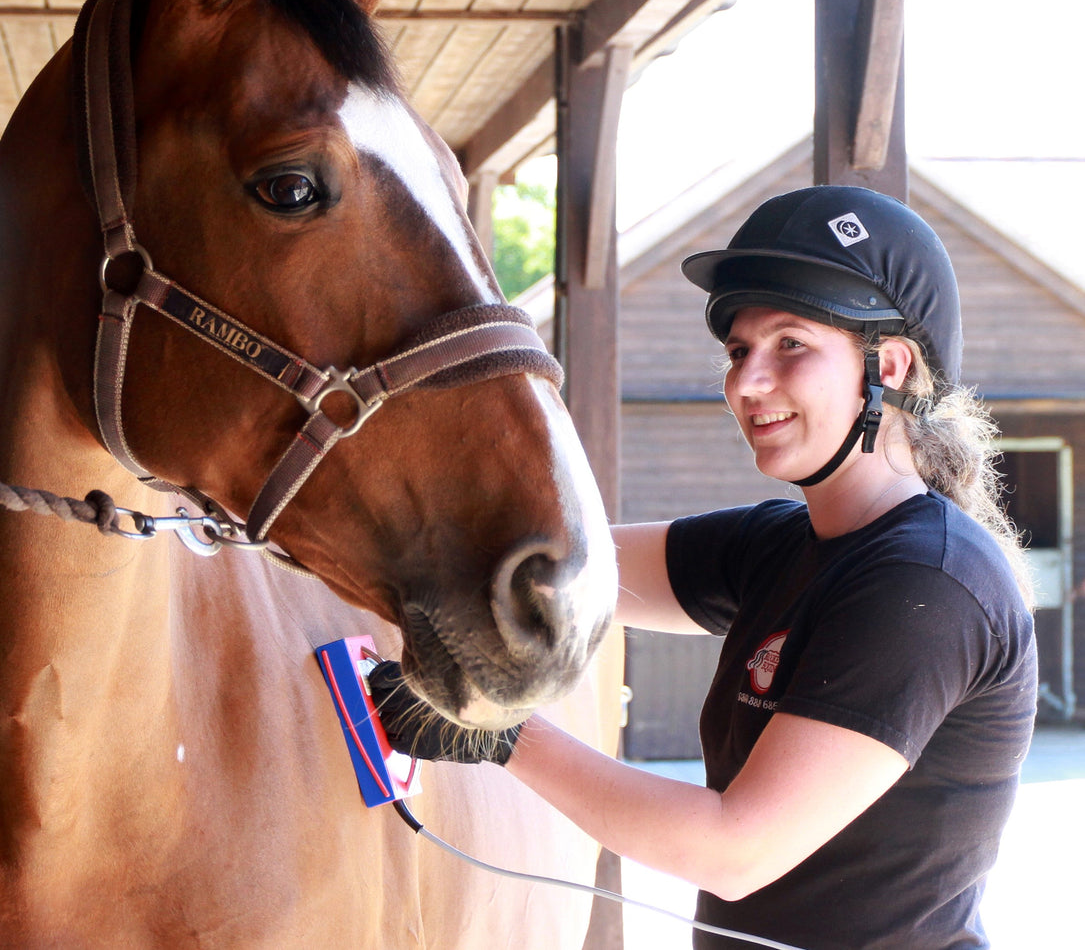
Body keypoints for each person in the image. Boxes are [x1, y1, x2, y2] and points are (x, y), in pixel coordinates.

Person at [372, 185, 1038, 950]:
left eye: (789, 344)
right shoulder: (782, 546)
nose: (744, 382)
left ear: (887, 365)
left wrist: (500, 733)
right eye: (736, 350)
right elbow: (557, 566)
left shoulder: (927, 583)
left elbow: (733, 850)